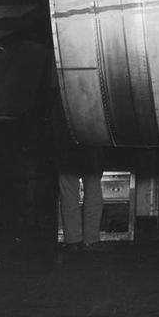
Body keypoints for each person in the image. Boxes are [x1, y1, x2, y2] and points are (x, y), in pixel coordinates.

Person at [52, 92, 105, 252]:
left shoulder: (61, 93)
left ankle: (73, 240)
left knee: (69, 190)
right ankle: (91, 240)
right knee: (93, 188)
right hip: (90, 132)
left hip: (66, 135)